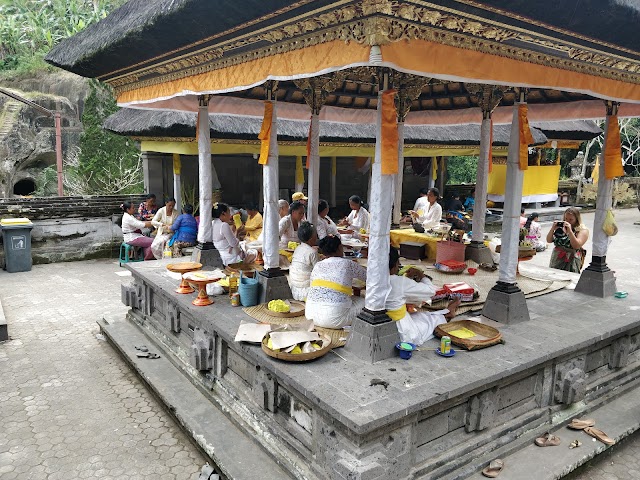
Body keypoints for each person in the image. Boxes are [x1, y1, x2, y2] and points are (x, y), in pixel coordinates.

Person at [386, 247, 461, 346]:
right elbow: (430, 292)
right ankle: (447, 314)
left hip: (385, 321)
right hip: (401, 332)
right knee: (429, 321)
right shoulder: (399, 282)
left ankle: (446, 312)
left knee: (422, 315)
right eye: (398, 264)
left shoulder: (370, 278)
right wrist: (421, 276)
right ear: (394, 265)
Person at [305, 235, 367, 328]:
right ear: (339, 248)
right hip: (333, 319)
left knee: (348, 298)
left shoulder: (317, 265)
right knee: (367, 304)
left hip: (310, 315)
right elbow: (368, 277)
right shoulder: (347, 264)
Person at [546, 207, 589, 273]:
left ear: (576, 219)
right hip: (557, 257)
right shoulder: (561, 227)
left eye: (571, 219)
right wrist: (553, 229)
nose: (567, 221)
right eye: (566, 218)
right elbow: (549, 240)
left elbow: (576, 245)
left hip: (572, 259)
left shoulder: (582, 230)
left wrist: (570, 231)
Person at [288, 222, 319, 301]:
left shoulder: (298, 248)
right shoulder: (312, 252)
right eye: (315, 234)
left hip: (294, 290)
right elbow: (319, 271)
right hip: (308, 292)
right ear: (311, 238)